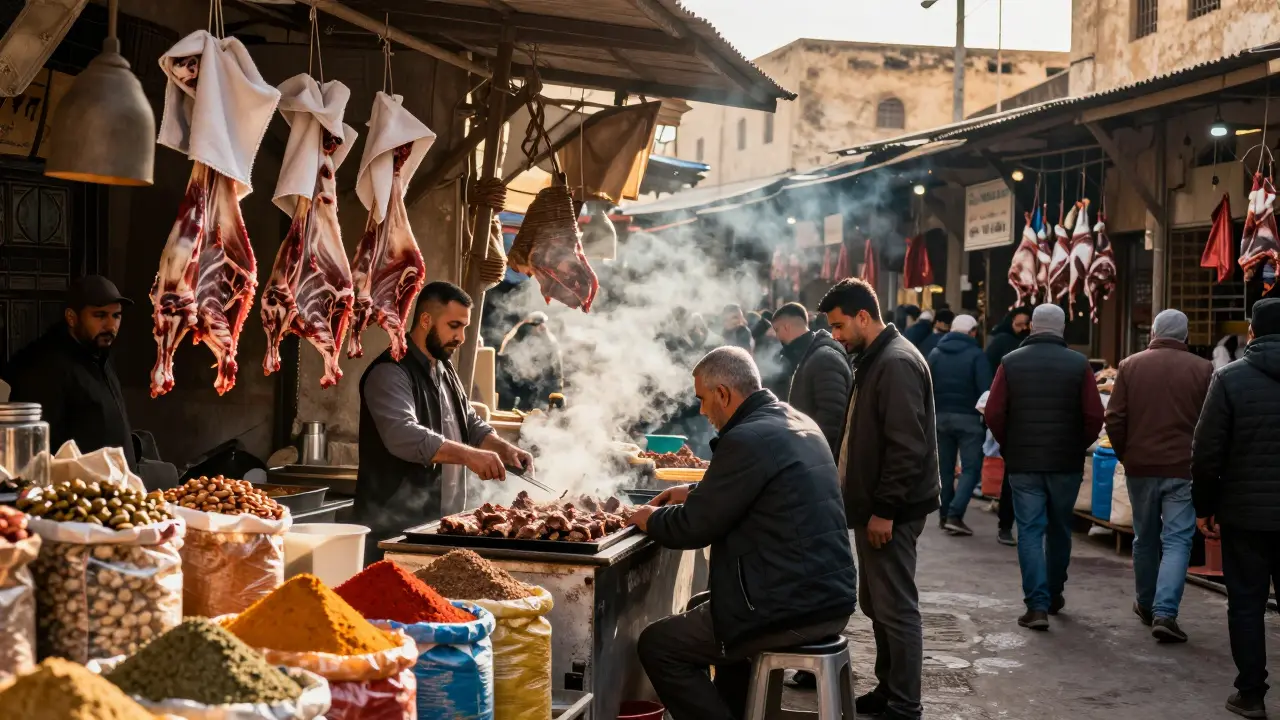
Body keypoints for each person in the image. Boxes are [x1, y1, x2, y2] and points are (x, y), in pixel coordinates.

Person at [630, 347, 857, 720]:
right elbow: (759, 488)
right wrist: (694, 491)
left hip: (793, 608)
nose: (702, 412)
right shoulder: (796, 422)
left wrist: (648, 518)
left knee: (658, 644)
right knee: (701, 607)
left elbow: (694, 526)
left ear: (723, 394)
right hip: (827, 597)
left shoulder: (745, 439)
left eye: (703, 400)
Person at [821, 278, 938, 720]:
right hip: (873, 507)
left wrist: (884, 510)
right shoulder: (874, 358)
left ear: (863, 317)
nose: (835, 336)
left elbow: (907, 446)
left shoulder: (896, 362)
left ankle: (905, 704)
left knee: (896, 607)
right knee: (877, 604)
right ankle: (889, 690)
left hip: (891, 511)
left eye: (839, 326)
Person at [354, 281, 534, 564]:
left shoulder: (443, 366)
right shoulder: (390, 372)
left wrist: (501, 447)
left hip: (438, 530)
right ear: (425, 320)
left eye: (464, 327)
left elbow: (468, 420)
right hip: (394, 535)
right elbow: (403, 435)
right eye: (454, 325)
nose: (461, 337)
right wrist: (470, 456)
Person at [985, 304, 1103, 630]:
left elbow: (994, 412)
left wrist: (1009, 444)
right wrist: (1077, 444)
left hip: (1023, 462)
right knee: (1060, 528)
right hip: (1065, 462)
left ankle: (1036, 606)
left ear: (1032, 327)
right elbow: (1094, 415)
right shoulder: (1080, 365)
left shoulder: (1010, 363)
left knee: (1030, 531)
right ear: (1062, 328)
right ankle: (1053, 594)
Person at [1192, 298, 1280, 719]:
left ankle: (1251, 693)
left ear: (1252, 333)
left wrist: (1205, 507)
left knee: (1246, 603)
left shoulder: (1229, 378)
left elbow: (1206, 452)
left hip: (1245, 514)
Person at [1105, 309, 1211, 644]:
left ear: (1153, 331)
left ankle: (1147, 604)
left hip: (1140, 467)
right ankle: (1166, 612)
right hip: (1183, 468)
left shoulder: (1130, 365)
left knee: (1144, 537)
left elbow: (1115, 418)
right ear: (1186, 335)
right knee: (1178, 539)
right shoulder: (1203, 369)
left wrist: (1126, 454)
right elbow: (1211, 425)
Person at [6, 275, 136, 470]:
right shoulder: (46, 367)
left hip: (118, 491)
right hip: (79, 493)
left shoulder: (98, 354)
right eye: (99, 315)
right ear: (72, 318)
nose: (110, 326)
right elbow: (40, 452)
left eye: (116, 316)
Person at [928, 314, 992, 537]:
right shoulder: (977, 355)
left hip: (940, 418)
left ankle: (945, 514)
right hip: (969, 420)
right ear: (973, 332)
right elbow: (986, 391)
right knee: (971, 469)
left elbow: (925, 387)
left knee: (944, 469)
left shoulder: (935, 354)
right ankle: (955, 515)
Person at [773, 302, 851, 456]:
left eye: (777, 330)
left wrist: (814, 457)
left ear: (786, 327)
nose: (776, 336)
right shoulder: (803, 355)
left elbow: (833, 419)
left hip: (820, 458)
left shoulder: (824, 358)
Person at [985, 306, 1032, 546]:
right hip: (1018, 429)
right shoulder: (1004, 348)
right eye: (1020, 324)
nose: (1023, 329)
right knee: (1014, 482)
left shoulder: (1017, 356)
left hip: (1019, 430)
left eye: (1027, 325)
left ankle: (1010, 526)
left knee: (1015, 482)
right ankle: (1008, 525)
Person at [496, 311, 564, 411]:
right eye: (536, 324)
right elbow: (504, 362)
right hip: (517, 385)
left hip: (542, 385)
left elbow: (556, 372)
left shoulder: (550, 342)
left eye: (542, 324)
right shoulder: (515, 337)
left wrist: (557, 391)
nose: (541, 327)